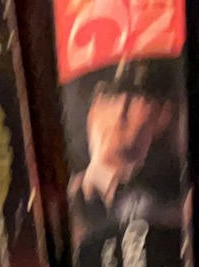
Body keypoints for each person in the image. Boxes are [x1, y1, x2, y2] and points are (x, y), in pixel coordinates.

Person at [66, 58, 182, 245]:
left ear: (162, 117)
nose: (120, 109)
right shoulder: (71, 199)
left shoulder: (166, 202)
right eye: (110, 98)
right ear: (93, 111)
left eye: (136, 99)